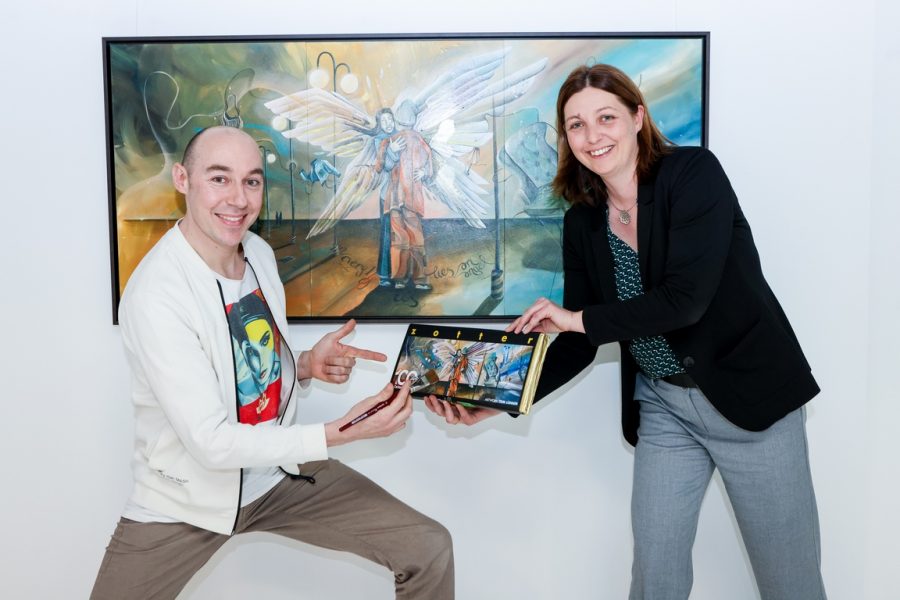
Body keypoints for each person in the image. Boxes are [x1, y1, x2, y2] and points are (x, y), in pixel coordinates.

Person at [425, 64, 826, 599]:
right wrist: (497, 395)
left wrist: (578, 320)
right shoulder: (582, 220)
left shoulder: (693, 175)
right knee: (654, 581)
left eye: (606, 117)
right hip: (665, 409)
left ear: (638, 117)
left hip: (753, 401)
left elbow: (686, 303)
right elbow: (577, 341)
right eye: (576, 125)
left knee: (790, 585)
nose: (594, 137)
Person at [92, 126, 453, 600]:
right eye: (219, 179)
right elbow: (211, 443)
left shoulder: (258, 253)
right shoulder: (156, 295)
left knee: (427, 547)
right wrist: (337, 433)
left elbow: (244, 364)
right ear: (183, 179)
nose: (238, 199)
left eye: (252, 181)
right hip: (184, 501)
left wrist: (303, 364)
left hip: (278, 475)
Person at [375, 100, 434, 290]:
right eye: (383, 121)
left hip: (394, 199)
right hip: (407, 198)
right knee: (415, 238)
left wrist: (425, 172)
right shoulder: (418, 140)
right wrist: (425, 172)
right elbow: (430, 164)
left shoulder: (389, 141)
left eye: (390, 119)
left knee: (399, 240)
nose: (388, 124)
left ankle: (400, 278)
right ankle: (417, 279)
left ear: (397, 119)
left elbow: (380, 166)